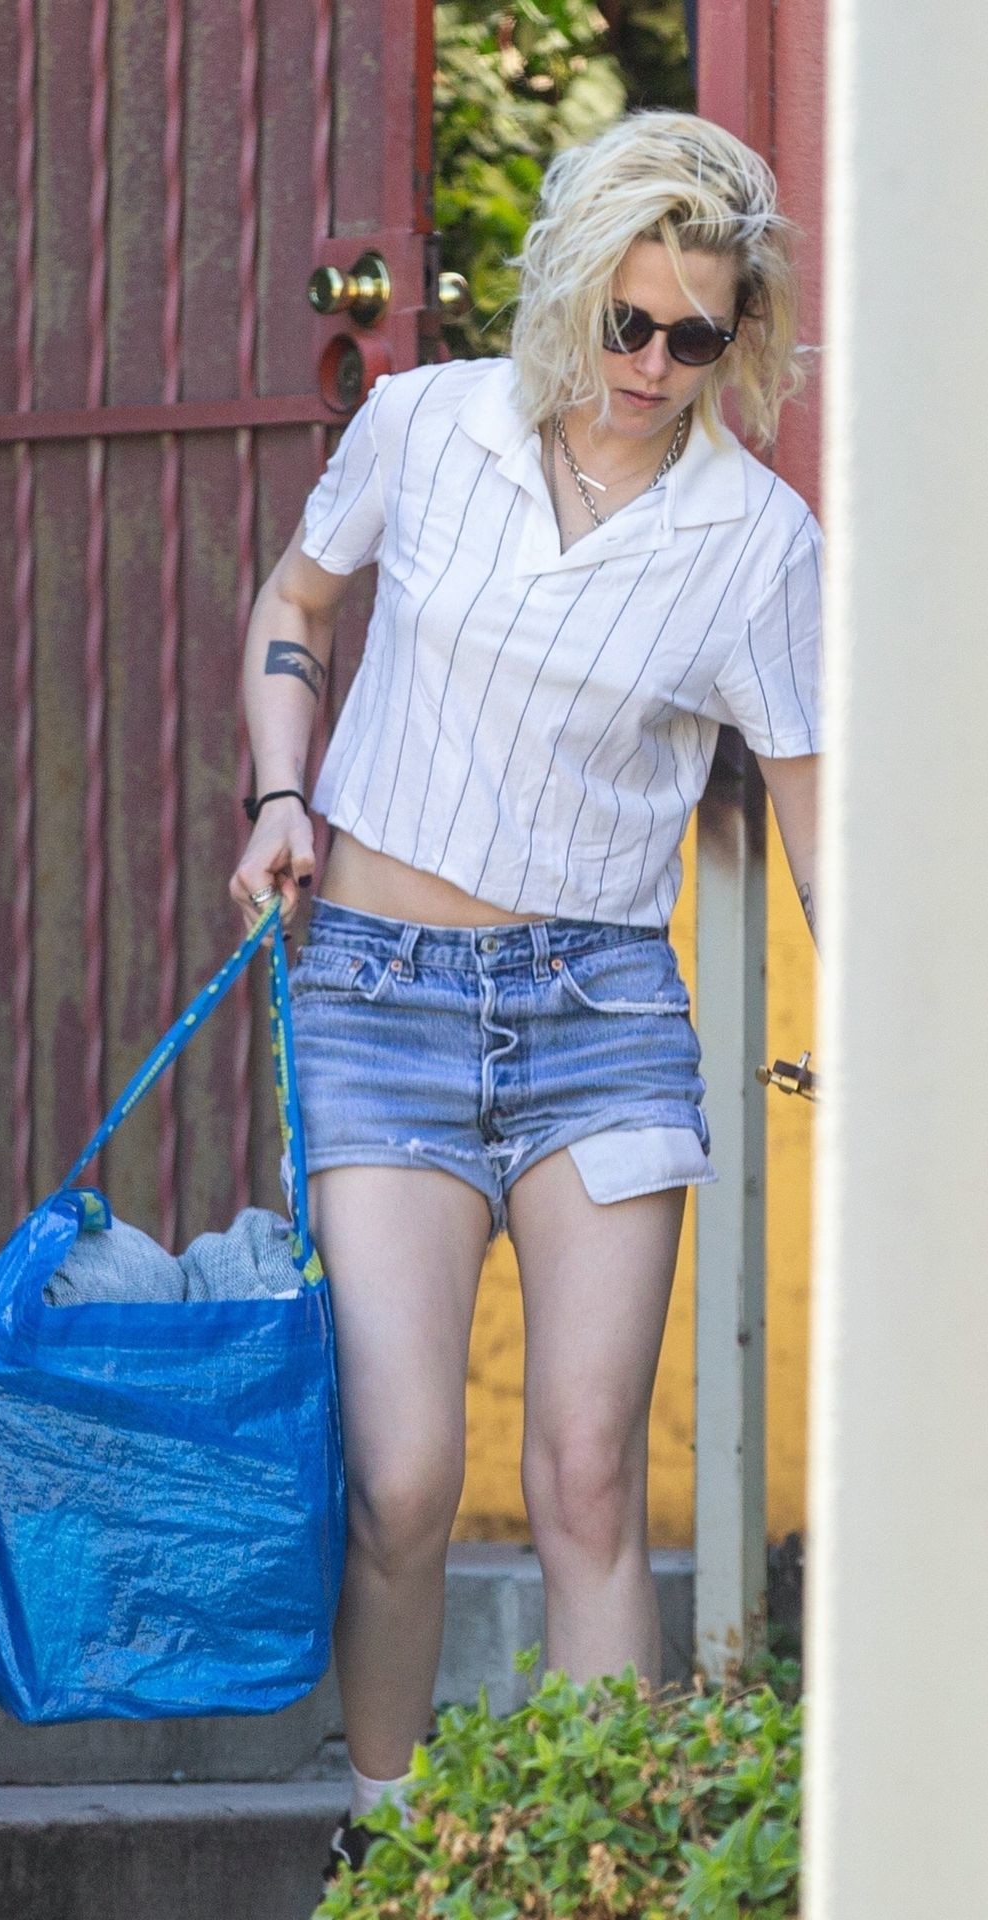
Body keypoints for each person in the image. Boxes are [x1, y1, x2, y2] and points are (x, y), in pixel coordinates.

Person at [228, 108, 822, 1886]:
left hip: (601, 1018)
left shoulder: (755, 541)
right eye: (628, 320)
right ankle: (392, 1849)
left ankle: (598, 1870)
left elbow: (814, 807)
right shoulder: (427, 426)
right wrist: (281, 793)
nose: (652, 365)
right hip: (379, 992)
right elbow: (298, 603)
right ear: (573, 288)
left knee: (585, 1480)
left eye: (697, 336)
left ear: (741, 334)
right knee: (405, 1477)